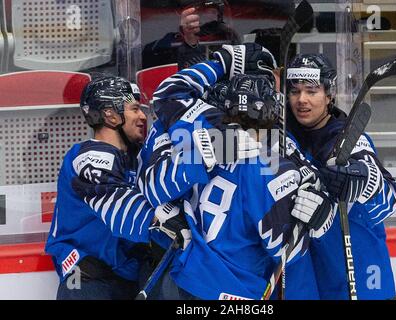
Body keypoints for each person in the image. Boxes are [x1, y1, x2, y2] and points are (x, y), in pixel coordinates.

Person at [144, 72, 335, 300]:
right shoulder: (271, 168)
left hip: (188, 278)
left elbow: (161, 187)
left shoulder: (200, 147)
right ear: (271, 112)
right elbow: (282, 250)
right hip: (235, 290)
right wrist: (310, 225)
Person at [45, 76, 188, 300]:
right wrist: (161, 218)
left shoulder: (135, 158)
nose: (142, 116)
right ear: (110, 115)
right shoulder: (87, 156)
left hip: (127, 276)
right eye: (134, 109)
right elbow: (115, 202)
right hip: (87, 281)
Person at [285, 53, 396, 300]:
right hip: (314, 278)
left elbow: (390, 200)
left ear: (329, 95)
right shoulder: (287, 138)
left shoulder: (348, 140)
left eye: (311, 91)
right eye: (294, 91)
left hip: (361, 279)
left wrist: (364, 180)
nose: (301, 100)